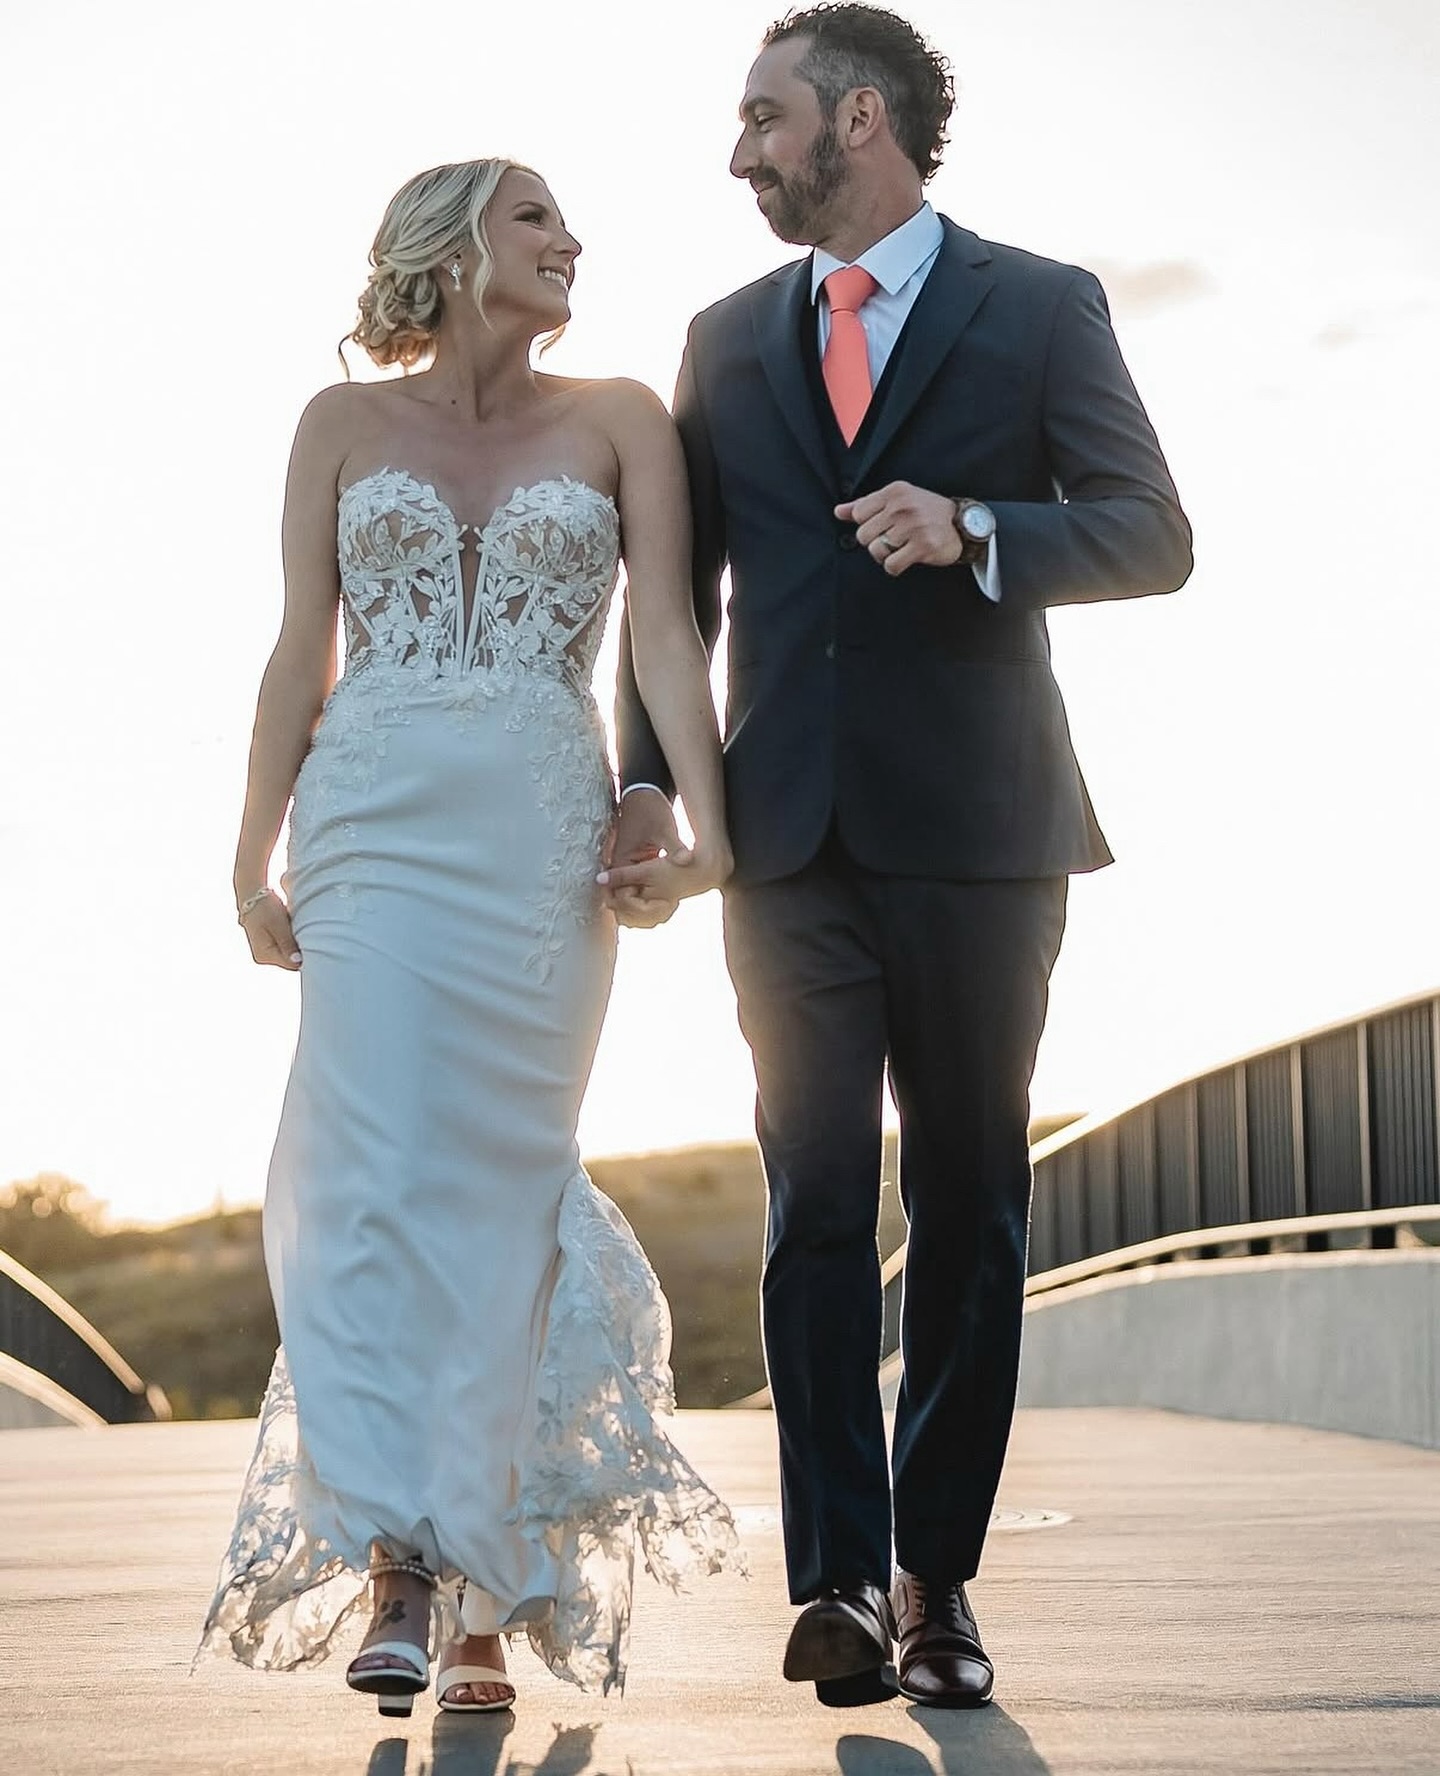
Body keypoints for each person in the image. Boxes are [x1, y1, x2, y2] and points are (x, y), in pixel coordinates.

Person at [602, 3, 1192, 1710]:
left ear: (859, 120)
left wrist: (979, 527)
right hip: (782, 845)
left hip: (983, 838)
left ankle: (939, 1580)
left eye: (762, 117)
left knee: (971, 1208)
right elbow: (675, 607)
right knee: (809, 1210)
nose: (739, 154)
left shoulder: (1042, 304)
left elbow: (1154, 533)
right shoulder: (722, 338)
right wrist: (653, 787)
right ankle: (842, 1583)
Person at [196, 158, 739, 1716]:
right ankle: (401, 1568)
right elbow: (299, 646)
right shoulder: (338, 426)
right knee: (360, 1175)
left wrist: (700, 827)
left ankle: (487, 1594)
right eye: (537, 218)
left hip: (536, 837)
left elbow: (663, 635)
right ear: (447, 250)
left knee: (500, 1190)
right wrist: (251, 859)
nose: (573, 241)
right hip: (366, 824)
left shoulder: (624, 414)